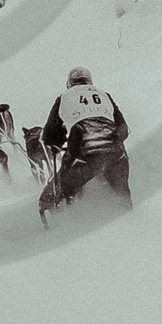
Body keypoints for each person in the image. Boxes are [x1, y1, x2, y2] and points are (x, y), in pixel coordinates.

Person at [38, 67, 130, 223]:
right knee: (122, 195)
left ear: (69, 83)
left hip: (82, 154)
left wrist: (58, 144)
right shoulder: (104, 94)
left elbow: (50, 135)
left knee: (64, 190)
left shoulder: (64, 97)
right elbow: (124, 129)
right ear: (90, 81)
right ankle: (132, 224)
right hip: (116, 153)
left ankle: (65, 224)